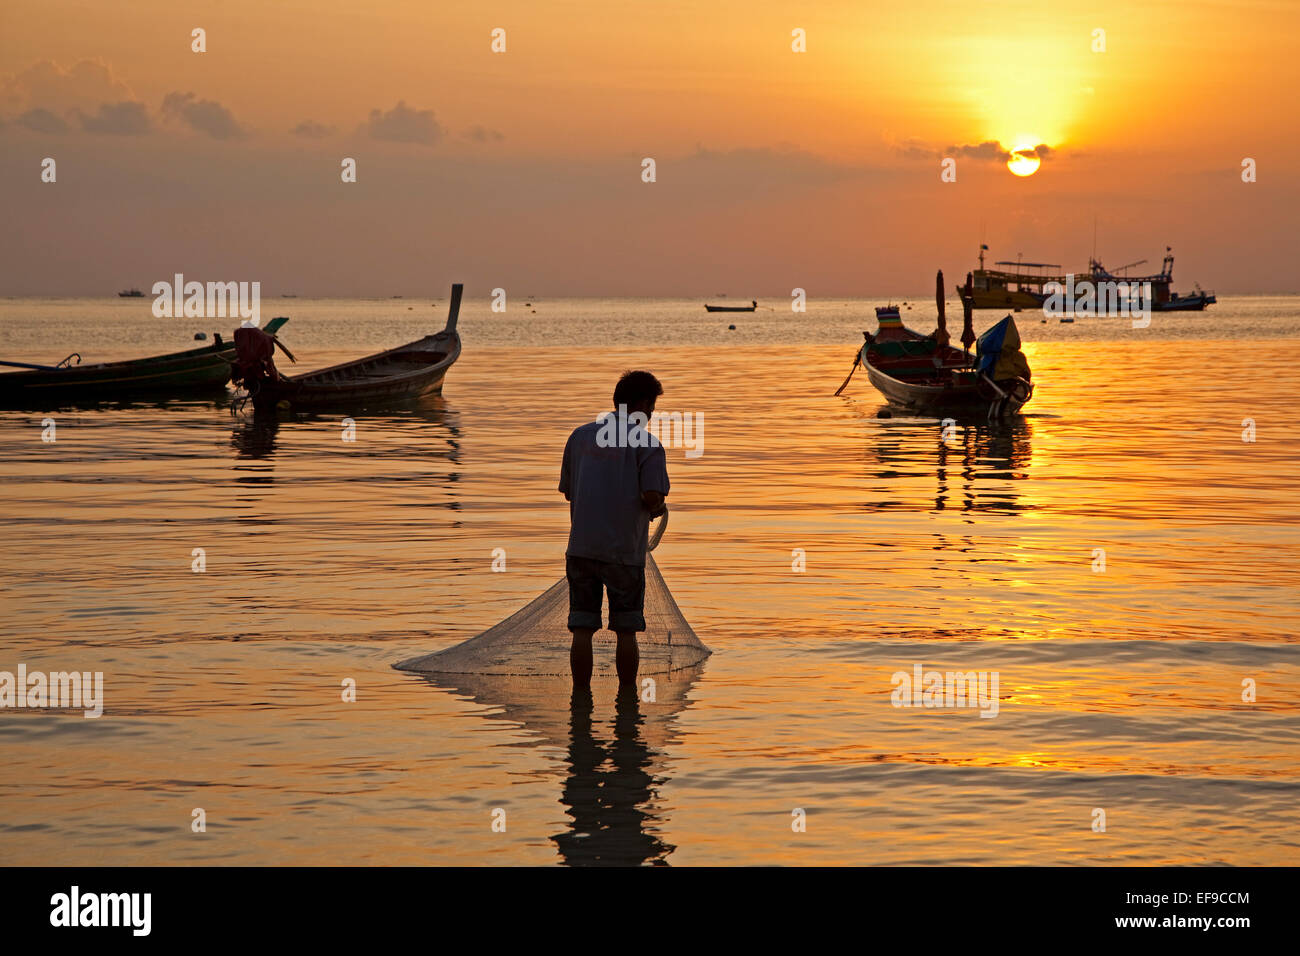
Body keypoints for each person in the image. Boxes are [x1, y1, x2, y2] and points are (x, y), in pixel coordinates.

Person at [559, 370, 669, 687]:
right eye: (651, 408)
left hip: (580, 549)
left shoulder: (579, 437)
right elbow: (652, 496)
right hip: (624, 553)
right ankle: (627, 698)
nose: (650, 416)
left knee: (582, 628)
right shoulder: (648, 445)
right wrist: (658, 507)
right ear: (642, 404)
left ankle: (580, 697)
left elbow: (570, 491)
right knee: (626, 629)